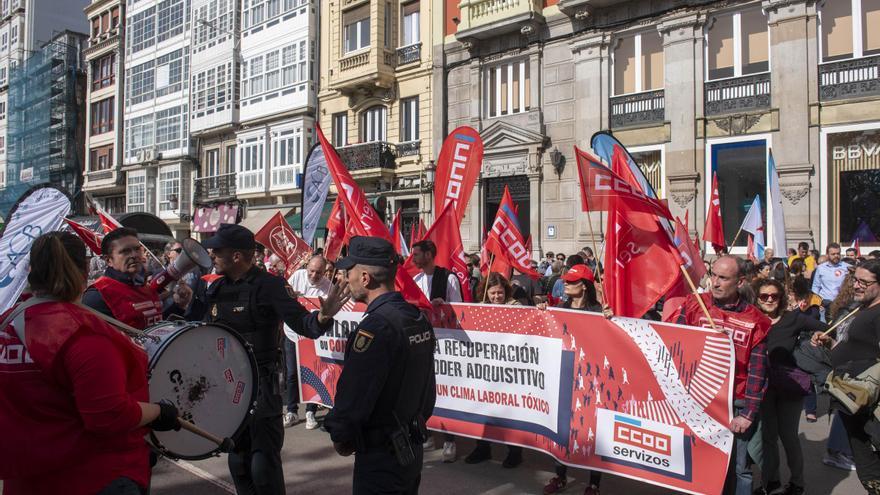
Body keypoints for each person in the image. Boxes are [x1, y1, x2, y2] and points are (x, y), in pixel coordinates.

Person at [0, 232, 181, 494]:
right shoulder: (83, 334)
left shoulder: (6, 325)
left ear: (31, 270)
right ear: (86, 269)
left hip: (25, 480)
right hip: (94, 476)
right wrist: (159, 412)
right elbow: (109, 415)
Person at [193, 223, 348, 495]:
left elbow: (303, 324)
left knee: (263, 468)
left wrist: (324, 316)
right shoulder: (216, 288)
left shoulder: (269, 286)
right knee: (238, 462)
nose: (212, 255)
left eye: (218, 250)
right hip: (226, 387)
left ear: (237, 256)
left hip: (261, 386)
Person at [323, 236, 435, 494]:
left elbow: (354, 393)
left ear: (365, 278)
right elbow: (428, 392)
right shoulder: (416, 317)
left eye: (349, 271)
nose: (345, 278)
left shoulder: (376, 327)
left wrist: (341, 434)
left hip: (381, 456)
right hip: (409, 449)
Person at [669, 255, 771, 495]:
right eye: (713, 275)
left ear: (740, 282)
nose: (714, 282)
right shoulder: (695, 304)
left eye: (723, 278)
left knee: (740, 468)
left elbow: (758, 372)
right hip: (699, 400)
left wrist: (748, 414)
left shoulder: (756, 321)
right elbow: (672, 343)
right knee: (700, 463)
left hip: (736, 403)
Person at [751, 279, 826, 495]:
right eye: (764, 296)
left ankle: (797, 483)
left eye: (774, 296)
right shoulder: (752, 319)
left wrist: (819, 336)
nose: (770, 300)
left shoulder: (793, 319)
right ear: (757, 298)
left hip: (789, 386)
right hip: (762, 386)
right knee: (768, 437)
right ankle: (771, 482)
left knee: (788, 436)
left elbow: (827, 328)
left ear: (781, 298)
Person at [812, 259, 880, 493]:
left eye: (864, 282)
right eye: (855, 280)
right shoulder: (862, 307)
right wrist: (831, 343)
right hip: (851, 399)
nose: (857, 286)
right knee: (866, 468)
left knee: (872, 469)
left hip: (869, 403)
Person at [541, 264, 604, 495]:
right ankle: (560, 475)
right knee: (562, 429)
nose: (565, 284)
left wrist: (611, 319)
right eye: (565, 280)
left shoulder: (599, 312)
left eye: (570, 281)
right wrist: (542, 309)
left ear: (585, 287)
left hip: (591, 379)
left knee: (591, 430)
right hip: (565, 376)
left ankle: (594, 483)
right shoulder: (559, 309)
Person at [465, 273, 526, 469]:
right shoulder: (481, 307)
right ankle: (483, 447)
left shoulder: (516, 307)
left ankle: (514, 452)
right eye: (492, 293)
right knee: (484, 409)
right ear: (485, 292)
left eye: (500, 293)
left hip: (509, 370)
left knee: (510, 411)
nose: (496, 297)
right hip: (486, 369)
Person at [82, 227, 192, 329]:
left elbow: (157, 328)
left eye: (137, 249)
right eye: (125, 251)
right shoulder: (98, 295)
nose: (134, 255)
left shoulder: (146, 288)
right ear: (108, 260)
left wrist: (180, 306)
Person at [410, 238, 460, 462]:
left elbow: (460, 310)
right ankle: (427, 433)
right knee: (423, 389)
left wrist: (445, 307)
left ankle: (450, 440)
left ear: (429, 254)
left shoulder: (448, 278)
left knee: (447, 390)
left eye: (417, 254)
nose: (414, 258)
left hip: (445, 343)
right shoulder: (416, 279)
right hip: (422, 342)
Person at [284, 255, 332, 429]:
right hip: (292, 334)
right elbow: (284, 297)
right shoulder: (297, 276)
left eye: (318, 272)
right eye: (311, 271)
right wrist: (292, 297)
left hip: (312, 337)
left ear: (324, 272)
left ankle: (310, 410)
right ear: (307, 267)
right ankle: (291, 411)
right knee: (291, 374)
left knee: (312, 373)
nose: (314, 275)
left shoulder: (328, 286)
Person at [812, 243, 850, 311]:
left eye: (838, 253)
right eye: (833, 254)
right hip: (825, 304)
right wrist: (817, 303)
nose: (836, 256)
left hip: (842, 304)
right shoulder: (820, 268)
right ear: (827, 255)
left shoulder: (847, 267)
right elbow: (816, 287)